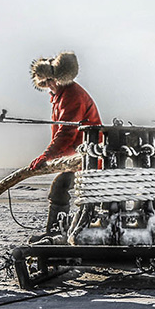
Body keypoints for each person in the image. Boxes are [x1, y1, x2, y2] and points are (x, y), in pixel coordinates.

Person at [28, 51, 102, 238]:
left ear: (59, 79)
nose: (50, 86)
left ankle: (58, 233)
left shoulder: (71, 95)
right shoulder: (59, 96)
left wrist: (47, 155)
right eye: (47, 82)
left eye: (52, 81)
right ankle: (60, 231)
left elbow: (67, 133)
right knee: (61, 188)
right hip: (77, 155)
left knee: (62, 188)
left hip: (89, 156)